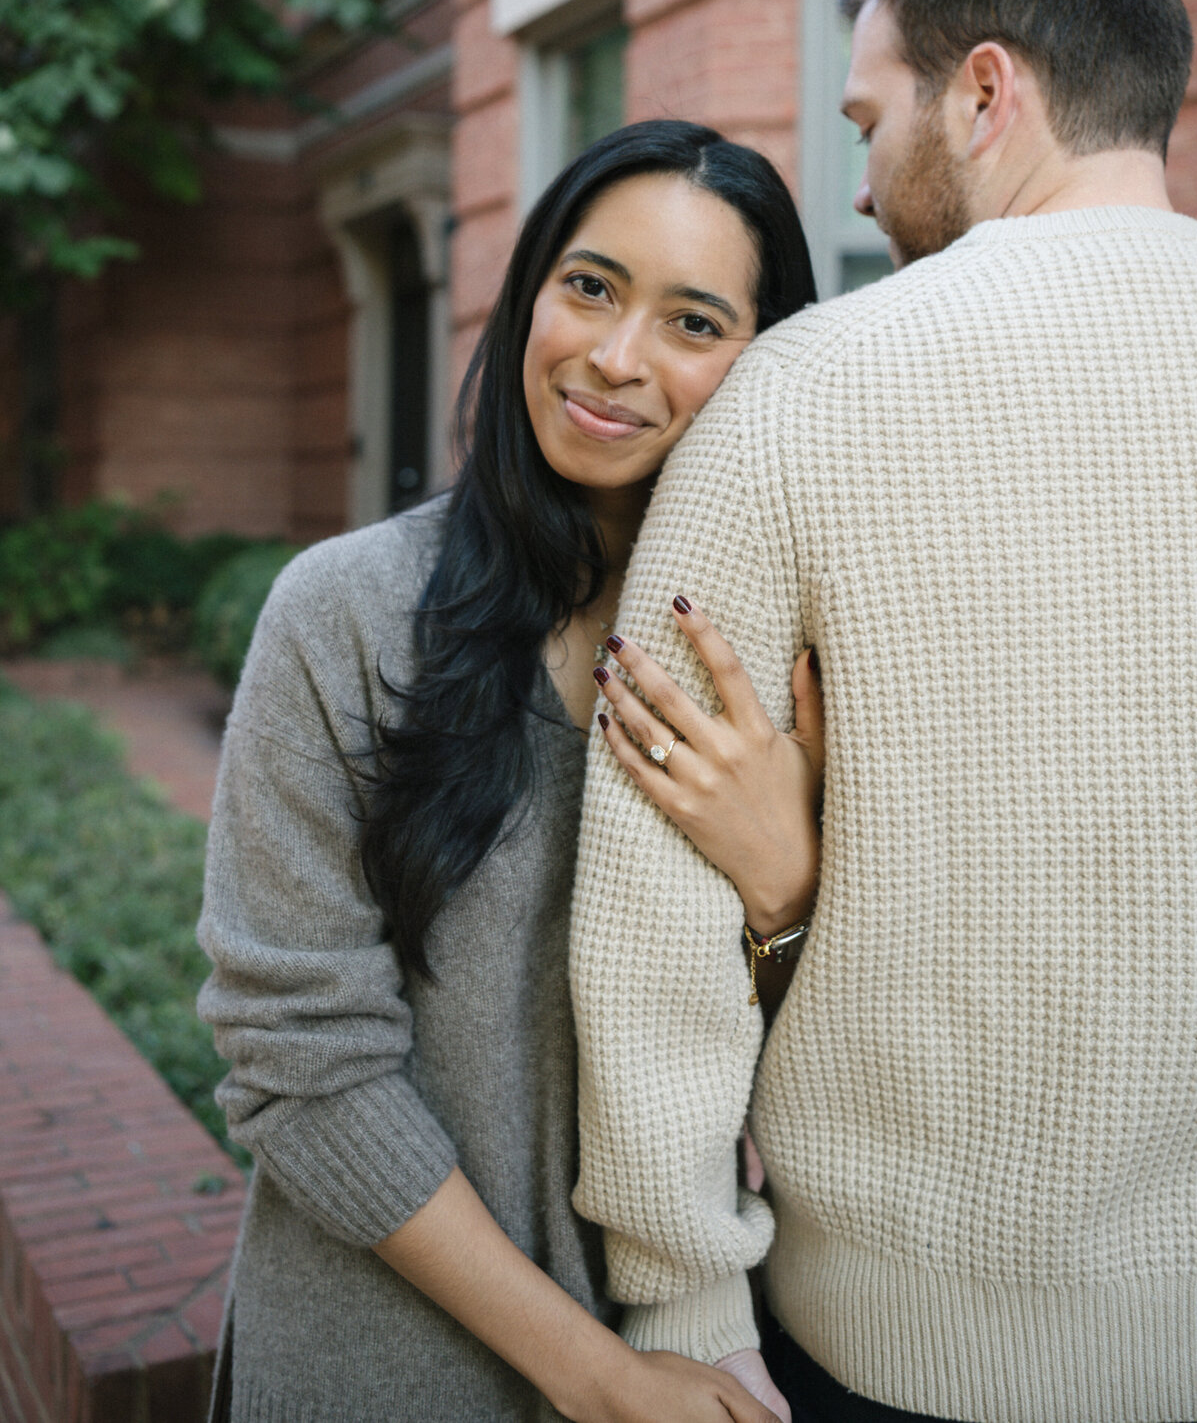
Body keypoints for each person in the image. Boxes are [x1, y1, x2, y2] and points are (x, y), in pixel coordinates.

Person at [570, 0, 1197, 1423]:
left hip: (885, 1348)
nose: (856, 186)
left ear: (986, 91)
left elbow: (655, 896)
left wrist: (684, 1303)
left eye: (867, 119)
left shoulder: (800, 390)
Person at [197, 118, 825, 1423]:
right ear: (530, 287)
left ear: (762, 364)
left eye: (693, 323)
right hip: (386, 1365)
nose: (613, 357)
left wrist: (786, 890)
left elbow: (830, 1050)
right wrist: (597, 1378)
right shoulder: (348, 614)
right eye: (591, 287)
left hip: (699, 1342)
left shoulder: (770, 667)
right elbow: (301, 1069)